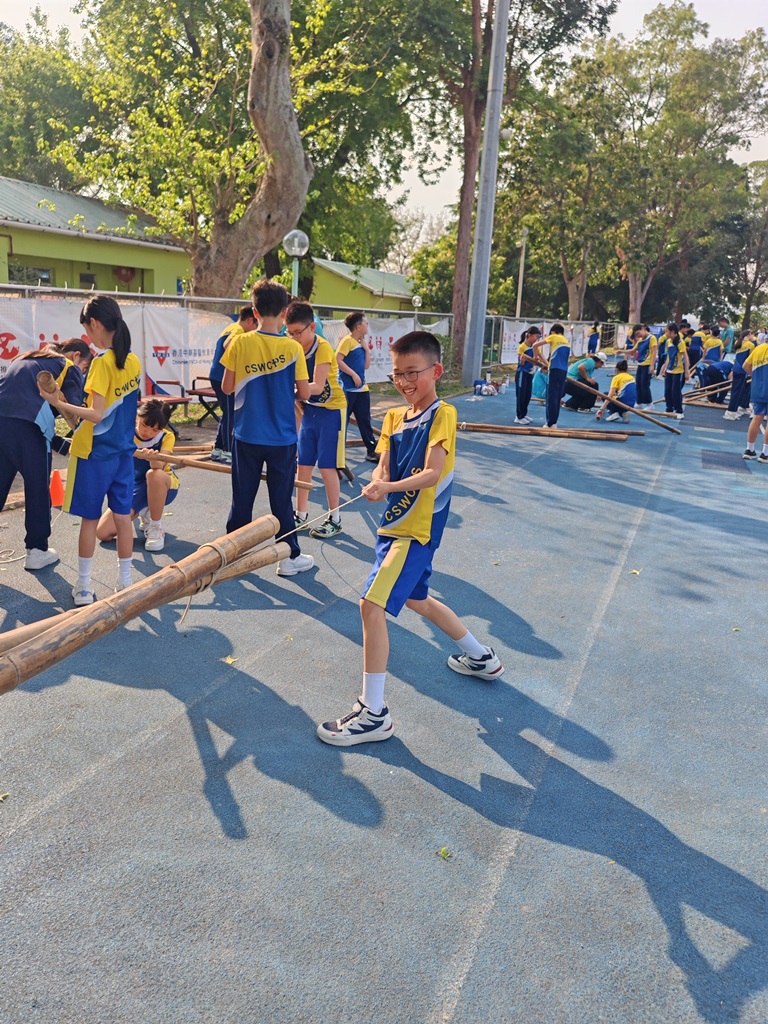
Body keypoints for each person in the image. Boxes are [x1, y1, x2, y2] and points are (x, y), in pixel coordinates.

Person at [316, 331, 503, 746]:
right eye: (397, 374)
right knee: (418, 599)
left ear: (436, 371)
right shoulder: (393, 419)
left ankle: (373, 713)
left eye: (412, 372)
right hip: (393, 527)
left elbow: (432, 473)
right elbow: (383, 466)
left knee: (370, 605)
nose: (403, 382)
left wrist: (388, 487)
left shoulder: (443, 414)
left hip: (416, 532)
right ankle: (481, 657)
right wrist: (377, 480)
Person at [43, 295, 141, 604]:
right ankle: (125, 582)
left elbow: (96, 414)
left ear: (95, 324)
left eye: (87, 329)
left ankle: (84, 586)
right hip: (123, 453)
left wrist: (60, 403)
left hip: (94, 454)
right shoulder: (133, 361)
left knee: (89, 519)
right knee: (122, 517)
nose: (88, 336)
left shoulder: (101, 363)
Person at [220, 279, 315, 577]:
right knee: (281, 500)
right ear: (285, 311)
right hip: (282, 438)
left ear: (255, 310)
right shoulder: (293, 347)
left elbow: (227, 387)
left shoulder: (240, 342)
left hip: (247, 435)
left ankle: (232, 556)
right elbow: (305, 393)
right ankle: (288, 557)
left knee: (242, 499)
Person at [0, 344, 85, 570]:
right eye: (85, 366)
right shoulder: (69, 365)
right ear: (76, 355)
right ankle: (37, 550)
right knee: (37, 488)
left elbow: (24, 406)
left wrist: (61, 444)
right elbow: (74, 408)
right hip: (30, 427)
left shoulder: (22, 359)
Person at [287, 301, 348, 539]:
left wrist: (289, 392)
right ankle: (301, 515)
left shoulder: (322, 347)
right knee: (303, 464)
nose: (294, 337)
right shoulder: (294, 348)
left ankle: (335, 518)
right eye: (290, 333)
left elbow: (317, 386)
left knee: (326, 466)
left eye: (298, 333)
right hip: (311, 409)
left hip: (332, 410)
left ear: (312, 327)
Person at [95, 398, 180, 552]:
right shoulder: (125, 433)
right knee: (103, 533)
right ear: (137, 417)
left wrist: (152, 458)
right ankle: (144, 509)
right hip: (135, 486)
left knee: (153, 474)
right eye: (145, 425)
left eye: (155, 430)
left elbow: (158, 466)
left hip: (164, 484)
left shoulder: (167, 437)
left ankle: (155, 526)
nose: (148, 432)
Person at [208, 306, 258, 465]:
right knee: (231, 414)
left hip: (216, 375)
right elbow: (228, 345)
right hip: (223, 376)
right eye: (255, 325)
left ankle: (218, 447)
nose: (255, 330)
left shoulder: (230, 327)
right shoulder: (239, 331)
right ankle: (228, 450)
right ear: (250, 320)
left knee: (227, 413)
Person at [335, 311, 378, 462]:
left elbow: (366, 366)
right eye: (366, 323)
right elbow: (338, 359)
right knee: (342, 422)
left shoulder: (361, 343)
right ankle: (338, 453)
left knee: (365, 420)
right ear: (358, 327)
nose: (367, 325)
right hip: (348, 390)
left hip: (362, 390)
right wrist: (353, 374)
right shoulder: (347, 341)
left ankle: (371, 451)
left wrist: (367, 350)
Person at [533, 323, 570, 428]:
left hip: (554, 370)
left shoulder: (553, 336)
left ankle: (550, 423)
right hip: (563, 371)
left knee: (551, 397)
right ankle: (554, 422)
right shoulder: (566, 341)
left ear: (553, 331)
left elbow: (535, 345)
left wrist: (535, 357)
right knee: (557, 397)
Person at [740, 338, 768, 461]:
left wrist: (755, 376)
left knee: (757, 417)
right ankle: (765, 453)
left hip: (758, 388)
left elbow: (745, 365)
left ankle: (749, 449)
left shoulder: (758, 348)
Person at [659, 322, 688, 419]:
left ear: (672, 332)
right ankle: (669, 409)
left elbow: (686, 357)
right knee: (667, 391)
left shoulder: (680, 343)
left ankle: (679, 411)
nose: (665, 334)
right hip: (669, 370)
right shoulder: (668, 342)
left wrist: (687, 372)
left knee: (675, 391)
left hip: (678, 371)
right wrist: (665, 367)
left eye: (666, 332)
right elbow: (669, 356)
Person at [724, 330, 755, 420]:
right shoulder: (750, 345)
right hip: (743, 370)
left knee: (737, 390)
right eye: (752, 334)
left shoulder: (738, 342)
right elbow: (751, 359)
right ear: (749, 334)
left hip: (736, 368)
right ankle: (731, 411)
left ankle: (737, 408)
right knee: (737, 391)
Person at [514, 325, 541, 423]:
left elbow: (539, 358)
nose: (536, 339)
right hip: (522, 373)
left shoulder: (535, 347)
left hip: (530, 373)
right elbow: (521, 363)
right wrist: (522, 360)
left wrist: (547, 366)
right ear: (529, 335)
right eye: (535, 336)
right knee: (521, 394)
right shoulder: (522, 347)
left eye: (538, 337)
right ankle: (519, 416)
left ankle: (524, 414)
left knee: (527, 395)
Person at [626, 325, 657, 410]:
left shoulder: (652, 338)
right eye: (636, 334)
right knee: (638, 384)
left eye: (638, 333)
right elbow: (633, 350)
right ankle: (639, 402)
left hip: (648, 364)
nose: (638, 335)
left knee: (645, 384)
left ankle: (649, 403)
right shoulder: (640, 340)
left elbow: (654, 352)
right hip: (640, 364)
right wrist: (621, 351)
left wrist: (652, 365)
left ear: (643, 329)